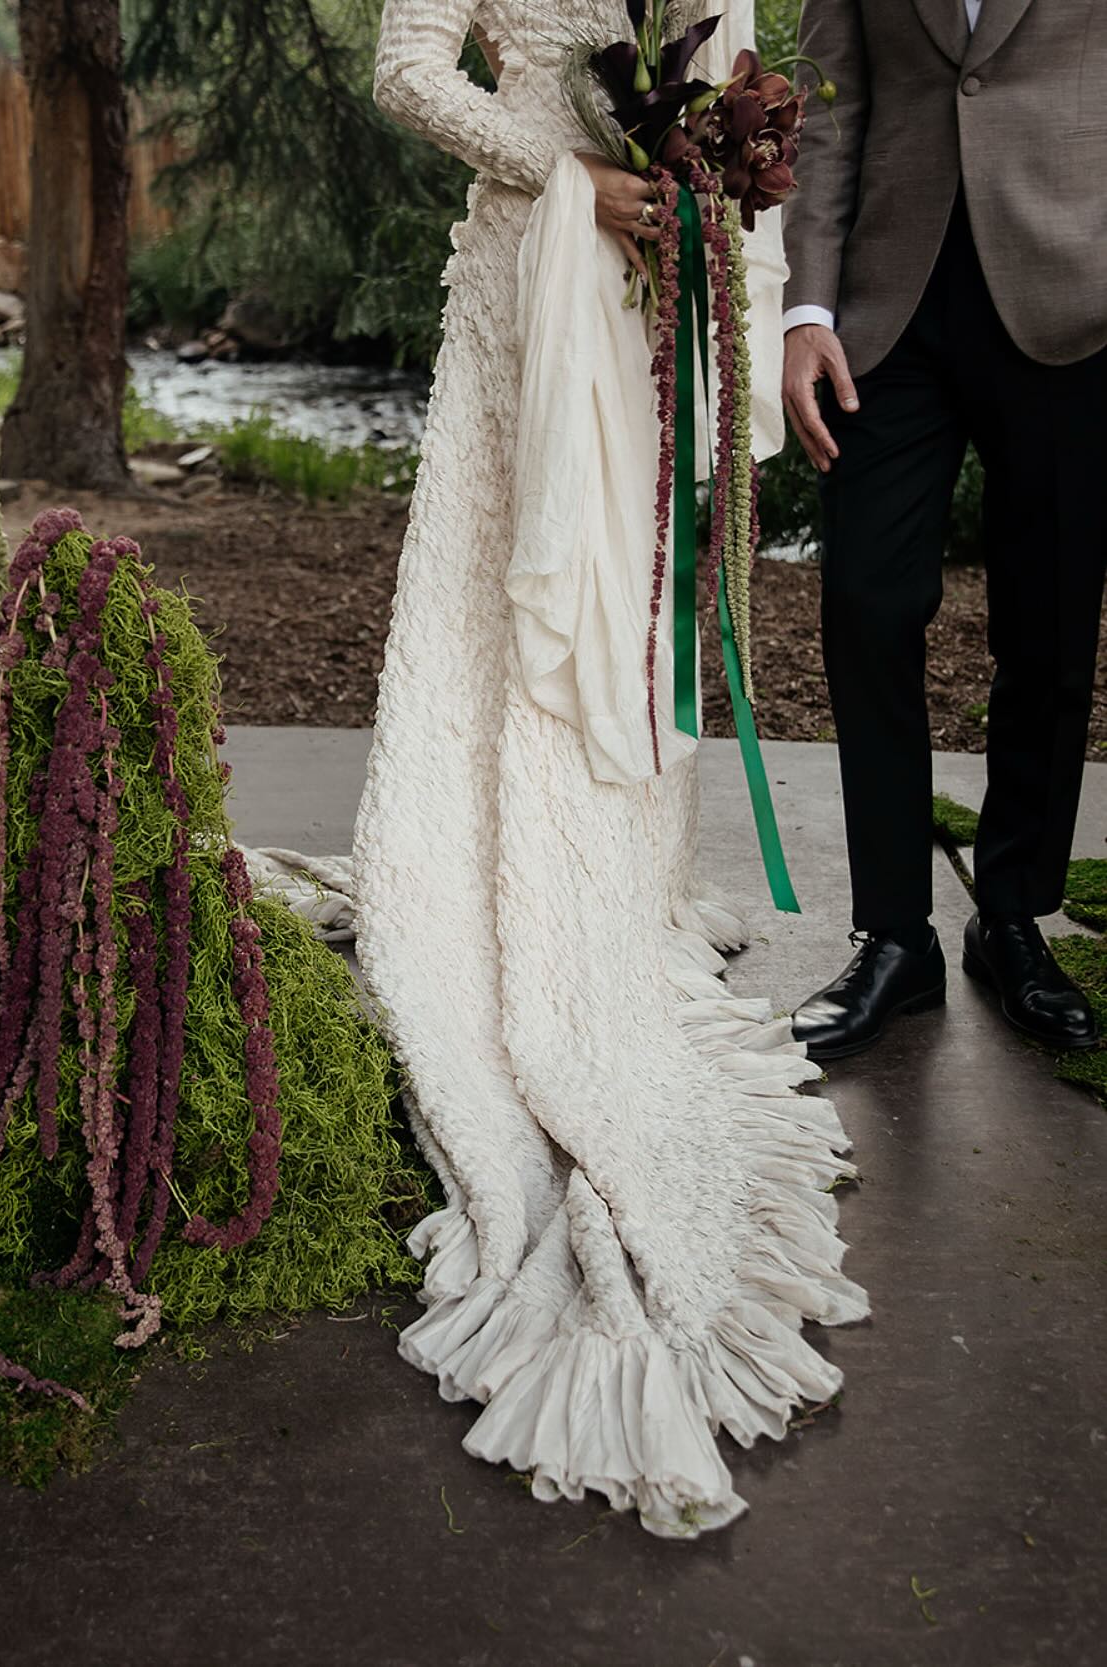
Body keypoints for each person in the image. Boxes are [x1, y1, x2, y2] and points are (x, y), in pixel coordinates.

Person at [346, 0, 867, 1538]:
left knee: (620, 599)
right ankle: (482, 865)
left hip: (650, 298)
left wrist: (712, 208)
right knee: (499, 591)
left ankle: (603, 868)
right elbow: (406, 69)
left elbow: (727, 75)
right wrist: (570, 175)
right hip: (526, 282)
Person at [782, 0, 1105, 1061]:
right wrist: (806, 313)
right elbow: (830, 108)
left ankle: (1010, 916)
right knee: (865, 606)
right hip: (885, 313)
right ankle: (893, 935)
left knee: (1049, 624)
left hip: (1070, 299)